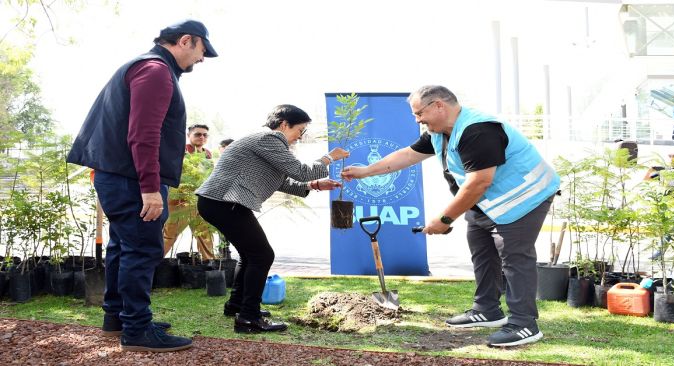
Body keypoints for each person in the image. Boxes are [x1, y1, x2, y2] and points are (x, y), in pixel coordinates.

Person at [341, 85, 560, 347]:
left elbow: (479, 182)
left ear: (439, 106)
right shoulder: (439, 133)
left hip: (524, 197)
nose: (417, 119)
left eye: (419, 113)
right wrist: (367, 171)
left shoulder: (478, 130)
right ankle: (487, 310)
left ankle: (524, 324)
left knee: (514, 258)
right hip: (487, 203)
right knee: (482, 252)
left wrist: (444, 220)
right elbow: (408, 155)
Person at [66, 19, 218, 352]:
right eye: (202, 50)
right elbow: (143, 134)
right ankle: (136, 329)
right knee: (142, 248)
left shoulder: (146, 67)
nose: (202, 59)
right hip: (133, 180)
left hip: (120, 175)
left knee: (123, 246)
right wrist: (150, 188)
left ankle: (118, 318)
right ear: (186, 41)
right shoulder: (155, 71)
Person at [196, 104, 349, 333]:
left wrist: (314, 185)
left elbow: (282, 181)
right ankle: (248, 318)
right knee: (262, 255)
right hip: (225, 202)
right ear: (284, 124)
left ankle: (237, 306)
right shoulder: (270, 138)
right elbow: (301, 171)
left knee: (250, 255)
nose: (300, 136)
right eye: (300, 130)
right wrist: (329, 158)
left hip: (219, 202)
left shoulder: (266, 142)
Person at [162, 124, 215, 260]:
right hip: (180, 200)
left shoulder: (208, 154)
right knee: (169, 236)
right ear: (188, 135)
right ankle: (150, 267)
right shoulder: (180, 151)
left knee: (206, 236)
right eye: (198, 134)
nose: (202, 137)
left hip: (202, 201)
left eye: (205, 135)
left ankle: (210, 269)